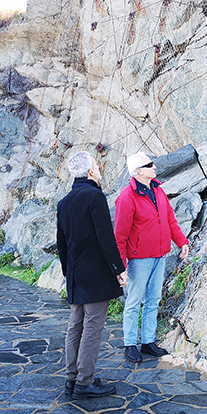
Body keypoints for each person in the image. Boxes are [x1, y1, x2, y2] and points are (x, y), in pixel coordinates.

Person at [56, 151, 128, 400]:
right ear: (90, 172)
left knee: (75, 327)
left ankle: (72, 379)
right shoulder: (94, 196)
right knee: (92, 328)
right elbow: (106, 239)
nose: (99, 169)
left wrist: (68, 274)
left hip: (76, 276)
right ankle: (85, 383)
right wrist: (119, 269)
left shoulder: (64, 202)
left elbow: (61, 244)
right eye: (97, 166)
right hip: (96, 275)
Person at [115, 152, 189, 363]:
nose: (154, 167)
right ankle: (130, 344)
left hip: (160, 255)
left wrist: (181, 241)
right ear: (138, 171)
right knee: (134, 301)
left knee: (153, 300)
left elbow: (170, 220)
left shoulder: (158, 190)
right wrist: (121, 267)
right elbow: (119, 236)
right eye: (149, 165)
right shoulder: (126, 198)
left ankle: (147, 341)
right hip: (139, 259)